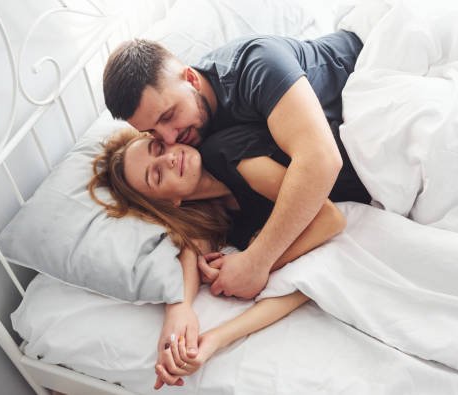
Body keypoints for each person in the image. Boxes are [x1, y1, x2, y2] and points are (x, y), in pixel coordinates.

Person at [102, 30, 364, 298]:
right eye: (152, 133)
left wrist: (257, 261)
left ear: (191, 79)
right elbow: (189, 230)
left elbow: (321, 160)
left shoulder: (257, 64)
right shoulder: (189, 142)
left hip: (363, 75)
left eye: (168, 116)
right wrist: (181, 308)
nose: (169, 139)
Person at [87, 128, 347, 388]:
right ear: (171, 201)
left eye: (158, 148)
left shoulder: (224, 152)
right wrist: (182, 313)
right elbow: (191, 253)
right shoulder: (215, 220)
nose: (167, 159)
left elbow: (329, 218)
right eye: (157, 175)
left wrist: (255, 262)